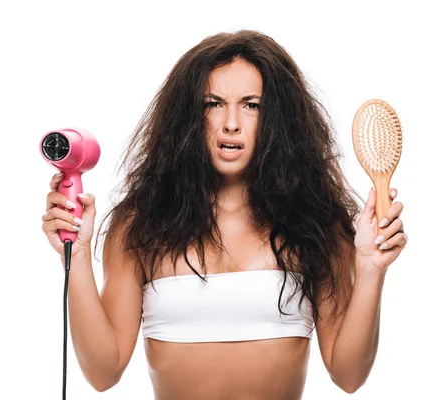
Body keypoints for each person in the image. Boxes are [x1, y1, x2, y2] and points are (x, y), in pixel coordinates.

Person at [41, 29, 408, 399]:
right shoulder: (141, 225)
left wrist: (371, 270)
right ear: (188, 116)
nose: (231, 122)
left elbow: (348, 375)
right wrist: (79, 256)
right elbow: (103, 373)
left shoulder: (316, 226)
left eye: (252, 105)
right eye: (213, 103)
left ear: (278, 119)